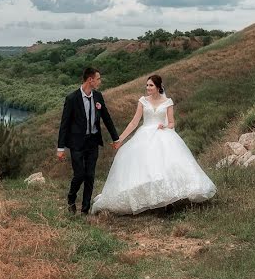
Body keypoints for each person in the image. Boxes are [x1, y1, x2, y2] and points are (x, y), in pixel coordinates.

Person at [90, 75, 216, 214]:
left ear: (158, 87)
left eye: (151, 85)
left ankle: (168, 201)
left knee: (166, 166)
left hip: (163, 134)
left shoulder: (168, 102)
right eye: (147, 85)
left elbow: (172, 122)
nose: (148, 88)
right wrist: (120, 139)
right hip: (145, 135)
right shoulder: (143, 101)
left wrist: (166, 125)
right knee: (148, 168)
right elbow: (134, 122)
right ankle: (151, 199)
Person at [57, 67, 119, 214]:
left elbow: (107, 118)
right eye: (98, 79)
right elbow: (64, 124)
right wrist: (60, 148)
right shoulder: (72, 98)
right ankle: (71, 198)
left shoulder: (98, 96)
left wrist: (116, 138)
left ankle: (85, 210)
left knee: (90, 175)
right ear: (90, 80)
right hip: (77, 143)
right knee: (79, 175)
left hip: (93, 141)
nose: (100, 81)